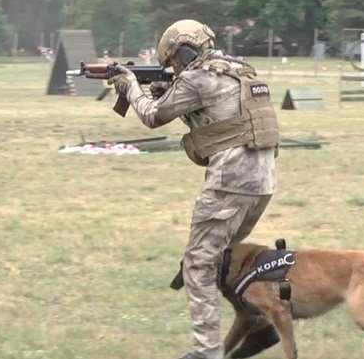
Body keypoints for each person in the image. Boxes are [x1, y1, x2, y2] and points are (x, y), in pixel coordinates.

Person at [107, 19, 281, 359]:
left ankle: (206, 352)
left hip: (230, 183)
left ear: (184, 52)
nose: (173, 68)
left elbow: (154, 116)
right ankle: (259, 328)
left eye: (173, 61)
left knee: (199, 264)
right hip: (262, 183)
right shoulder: (240, 70)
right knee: (222, 259)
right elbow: (217, 115)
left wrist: (131, 87)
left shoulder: (197, 77)